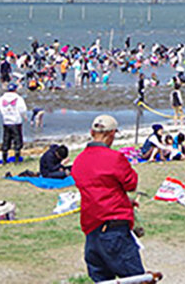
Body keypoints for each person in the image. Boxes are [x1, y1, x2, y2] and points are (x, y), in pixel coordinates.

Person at [72, 114, 146, 282]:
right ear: (112, 134)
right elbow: (131, 184)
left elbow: (95, 190)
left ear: (92, 132)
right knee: (137, 280)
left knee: (103, 279)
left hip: (92, 230)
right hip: (114, 228)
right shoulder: (114, 158)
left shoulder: (79, 160)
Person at [0, 83, 27, 164]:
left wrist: (3, 112)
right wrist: (24, 116)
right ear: (15, 90)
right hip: (16, 122)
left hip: (6, 122)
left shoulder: (1, 99)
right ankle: (17, 161)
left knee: (6, 141)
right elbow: (23, 109)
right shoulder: (18, 98)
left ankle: (4, 160)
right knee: (17, 142)